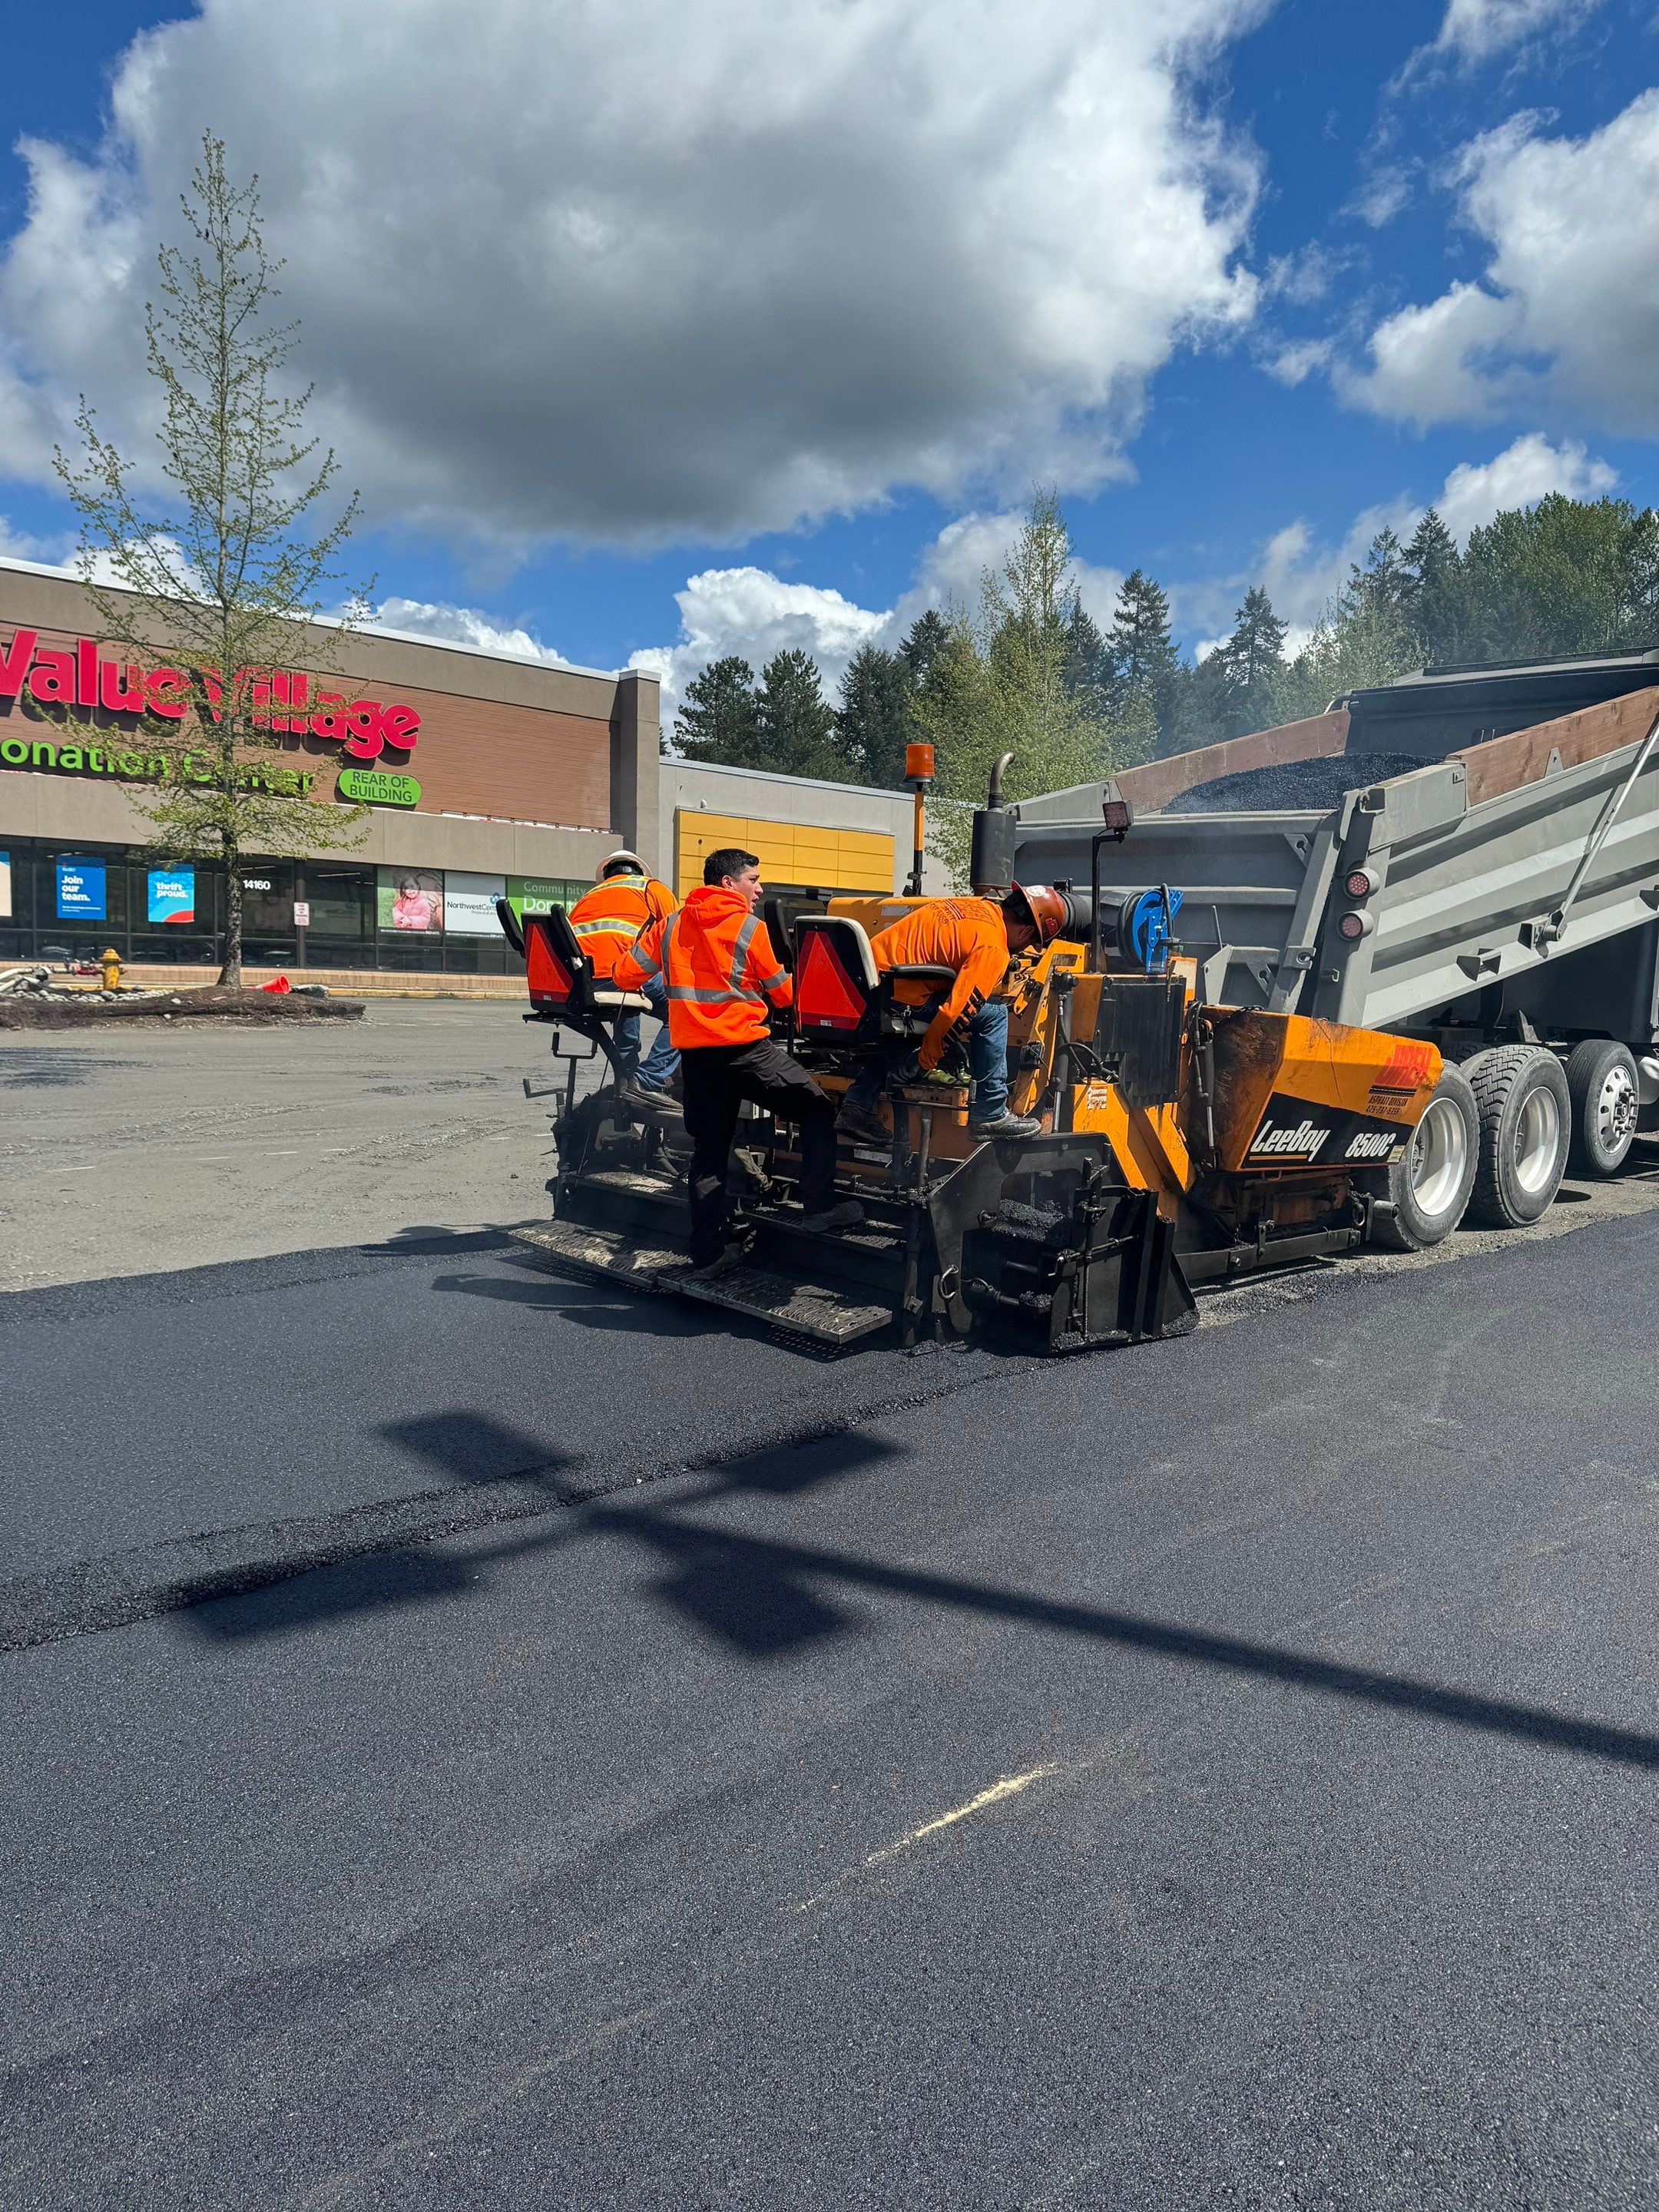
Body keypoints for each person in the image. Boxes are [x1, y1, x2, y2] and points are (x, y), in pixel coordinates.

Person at [616, 847, 862, 1276]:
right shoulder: (750, 928)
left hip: (696, 1060)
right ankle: (819, 1207)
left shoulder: (670, 924)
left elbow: (625, 975)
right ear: (728, 883)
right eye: (753, 878)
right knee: (819, 1111)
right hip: (747, 1053)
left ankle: (708, 1255)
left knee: (708, 1153)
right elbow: (784, 995)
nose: (759, 888)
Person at [836, 886, 1058, 1144]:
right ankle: (991, 1113)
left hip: (863, 991)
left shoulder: (969, 907)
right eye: (1030, 943)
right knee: (995, 1016)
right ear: (1027, 931)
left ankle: (856, 1107)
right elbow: (957, 1013)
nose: (1023, 950)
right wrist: (924, 1061)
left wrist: (945, 1047)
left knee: (895, 1033)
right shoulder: (994, 947)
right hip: (896, 996)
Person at [566, 849, 680, 1104]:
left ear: (606, 876)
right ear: (638, 871)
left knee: (627, 1010)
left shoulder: (585, 899)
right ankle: (648, 1080)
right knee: (688, 1011)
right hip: (624, 978)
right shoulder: (650, 888)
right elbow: (678, 937)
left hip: (584, 984)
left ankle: (626, 1082)